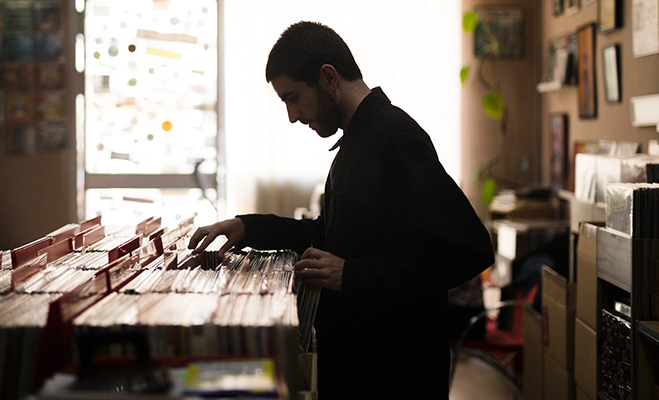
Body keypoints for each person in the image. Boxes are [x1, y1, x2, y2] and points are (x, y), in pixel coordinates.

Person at [188, 21, 494, 399]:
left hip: (394, 373)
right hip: (361, 365)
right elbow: (331, 235)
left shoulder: (394, 139)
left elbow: (468, 250)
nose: (292, 116)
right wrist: (247, 227)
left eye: (293, 98)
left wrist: (353, 274)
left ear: (328, 78)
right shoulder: (358, 139)